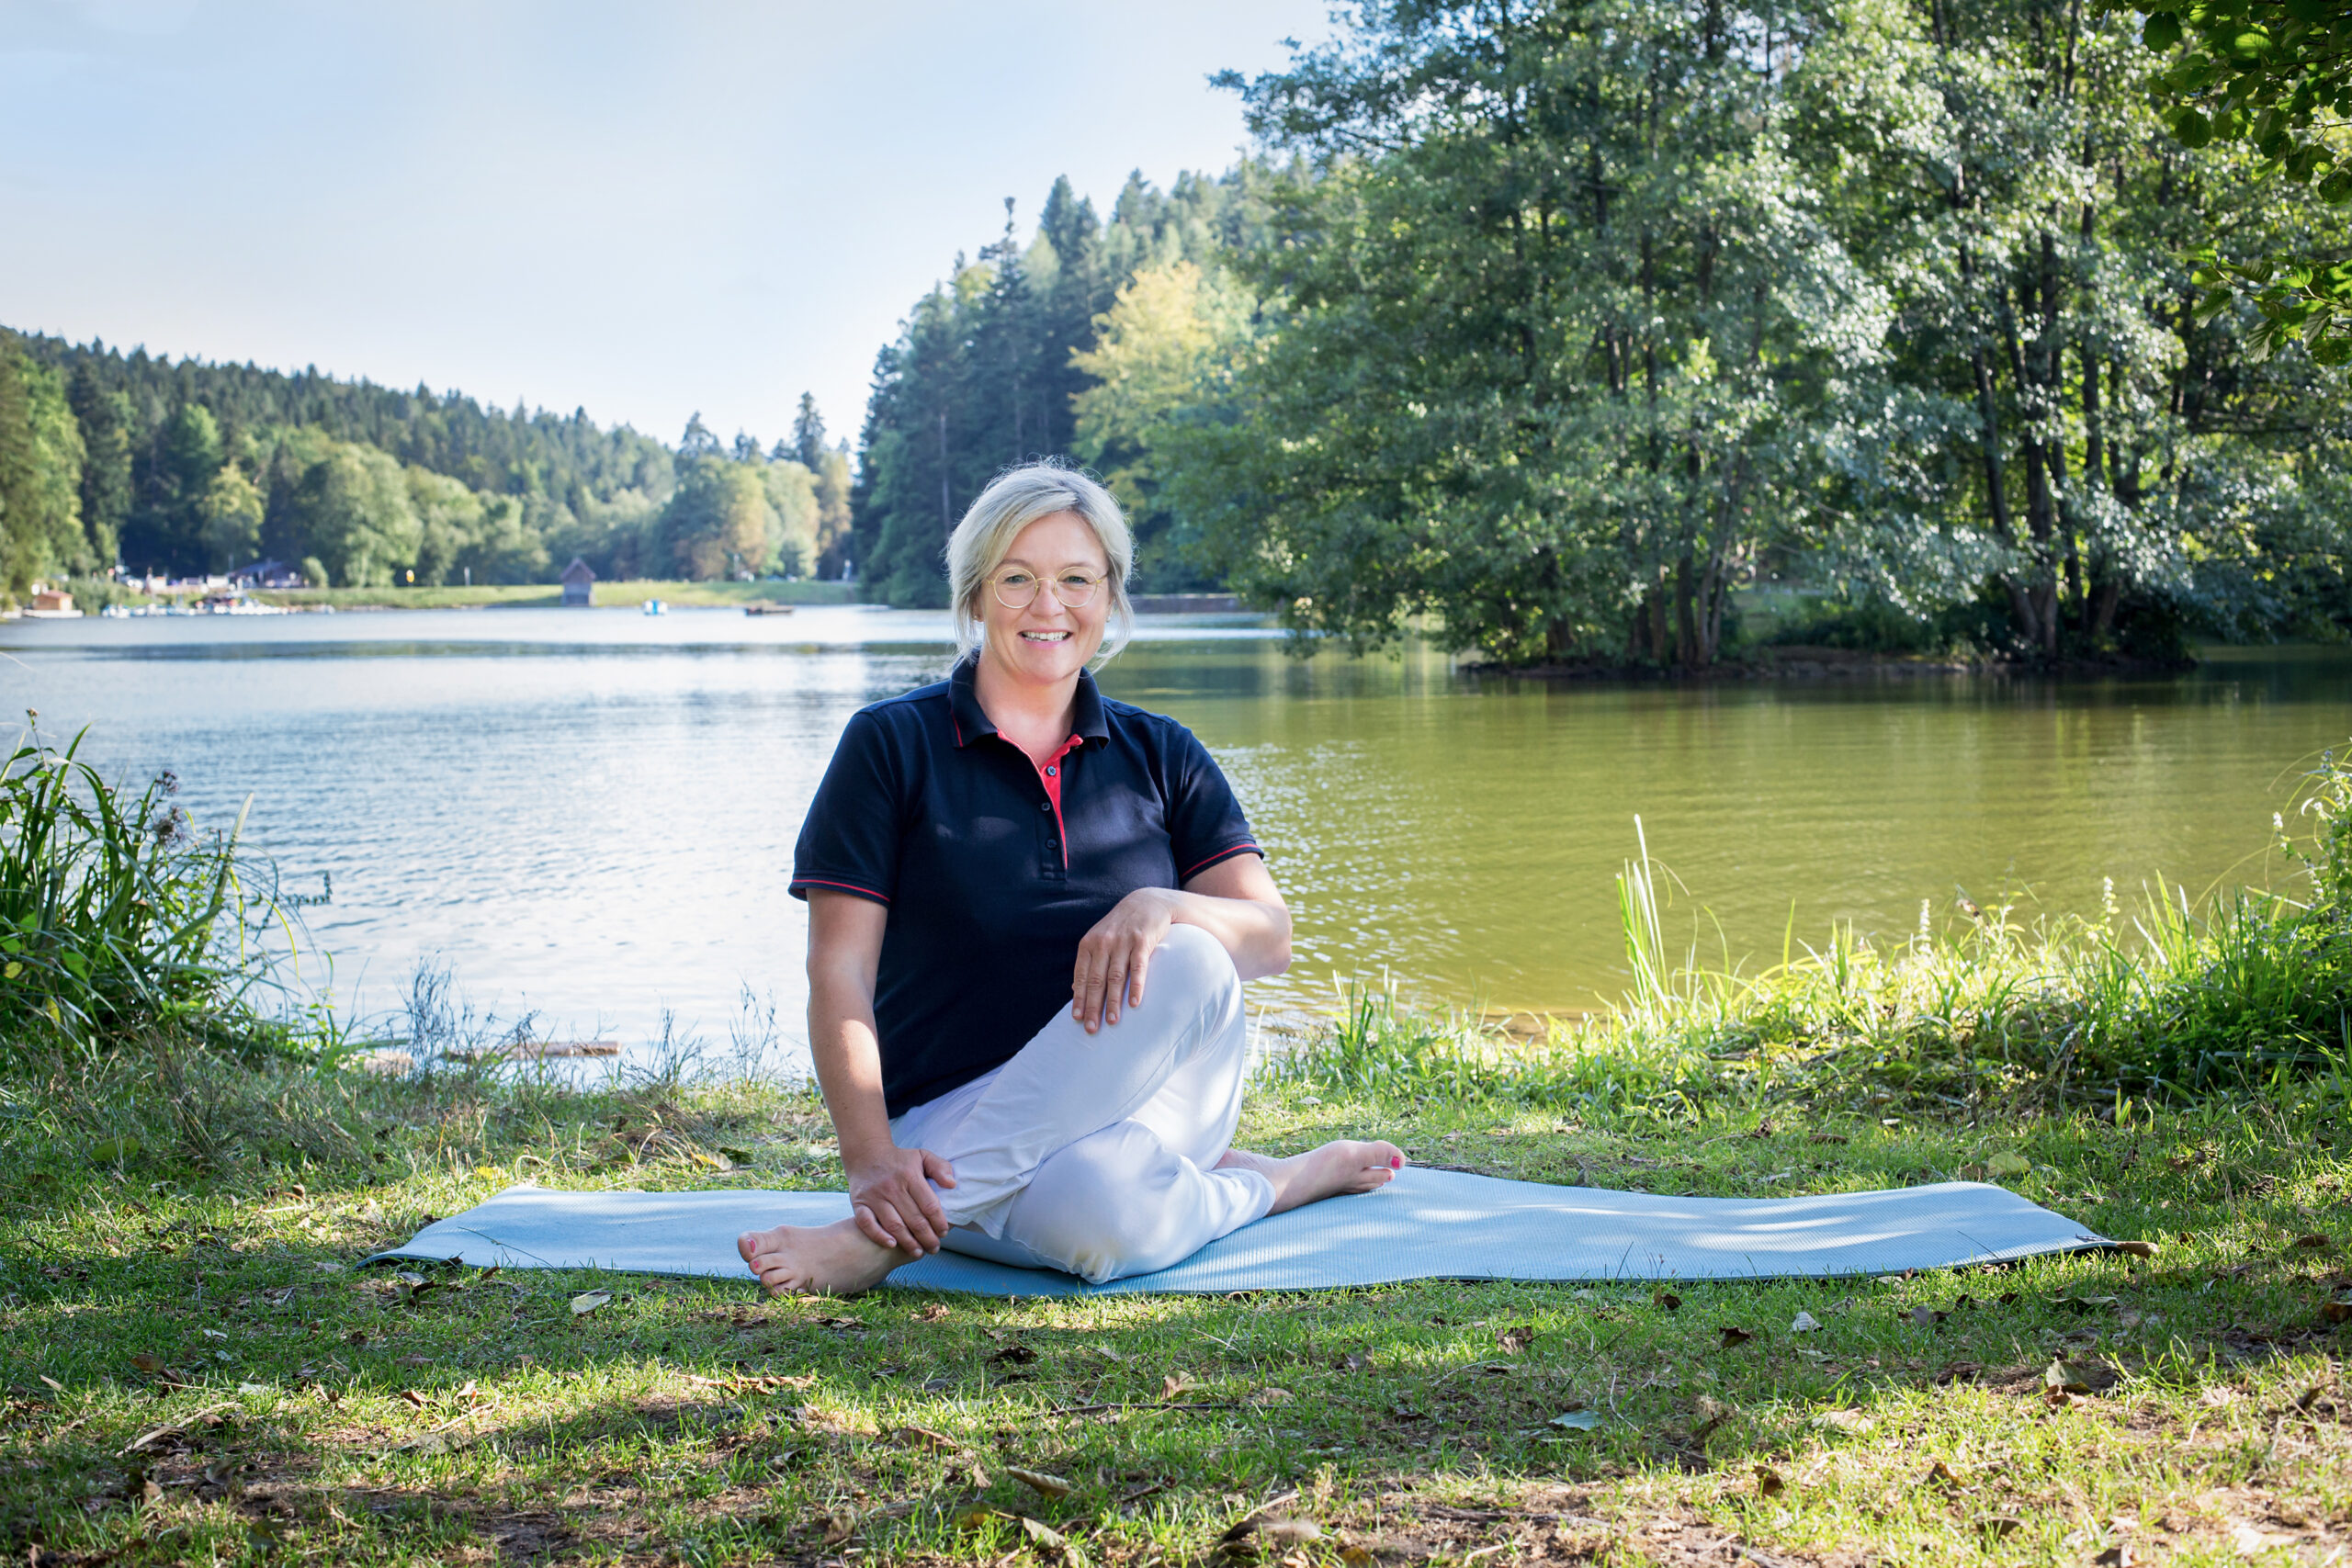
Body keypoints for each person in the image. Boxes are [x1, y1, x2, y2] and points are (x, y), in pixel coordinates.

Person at [738, 463, 1404, 1295]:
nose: (1048, 606)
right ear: (977, 594)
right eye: (1018, 578)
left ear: (1110, 596)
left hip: (1155, 1105)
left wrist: (1160, 903)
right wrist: (874, 1165)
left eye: (1075, 579)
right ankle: (1276, 1183)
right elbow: (838, 973)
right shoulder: (888, 746)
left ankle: (878, 1244)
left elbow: (1271, 939)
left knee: (1194, 955)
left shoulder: (1163, 754)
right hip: (946, 1119)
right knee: (1103, 1216)